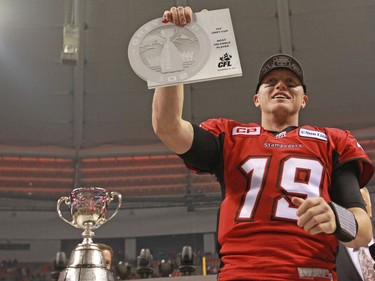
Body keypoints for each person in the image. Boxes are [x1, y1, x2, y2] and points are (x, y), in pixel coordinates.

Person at [151, 6, 375, 281]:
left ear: (303, 100)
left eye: (291, 82)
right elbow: (167, 126)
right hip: (241, 274)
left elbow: (363, 231)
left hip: (310, 274)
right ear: (257, 99)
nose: (280, 86)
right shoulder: (230, 136)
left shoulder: (333, 141)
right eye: (270, 82)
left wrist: (335, 216)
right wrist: (177, 55)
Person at [336, 187, 375, 281]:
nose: (358, 214)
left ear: (370, 208)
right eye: (349, 208)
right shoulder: (330, 249)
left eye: (363, 205)